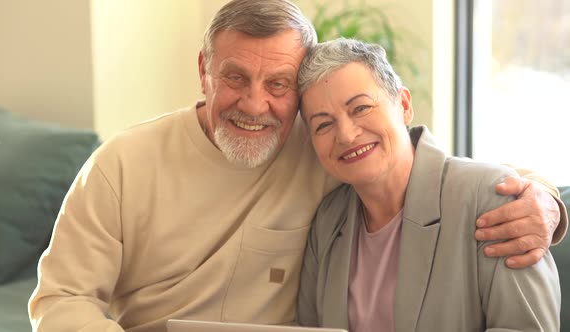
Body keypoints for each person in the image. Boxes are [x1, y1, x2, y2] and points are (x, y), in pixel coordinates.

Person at [28, 1, 566, 331]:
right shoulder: (120, 165)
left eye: (279, 85)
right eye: (235, 77)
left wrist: (544, 199)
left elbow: (427, 166)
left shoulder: (324, 146)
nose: (255, 104)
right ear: (204, 71)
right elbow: (61, 299)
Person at [296, 38, 561, 331]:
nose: (345, 135)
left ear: (404, 105)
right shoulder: (327, 222)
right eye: (323, 124)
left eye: (360, 108)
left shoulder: (493, 200)